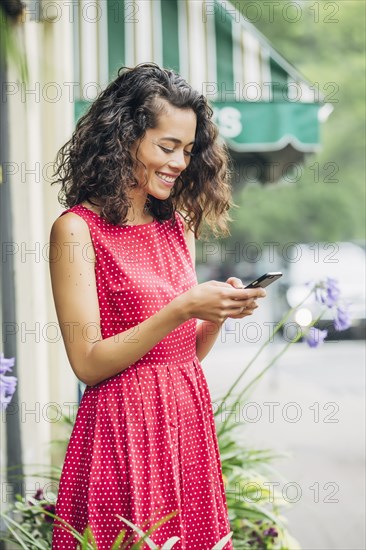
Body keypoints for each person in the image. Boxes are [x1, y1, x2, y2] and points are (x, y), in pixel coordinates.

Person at [49, 62, 266, 550]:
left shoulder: (176, 226)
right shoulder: (77, 231)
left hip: (184, 424)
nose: (180, 162)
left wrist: (216, 314)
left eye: (188, 151)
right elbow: (88, 362)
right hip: (120, 433)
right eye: (166, 147)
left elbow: (179, 357)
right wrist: (184, 306)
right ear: (123, 139)